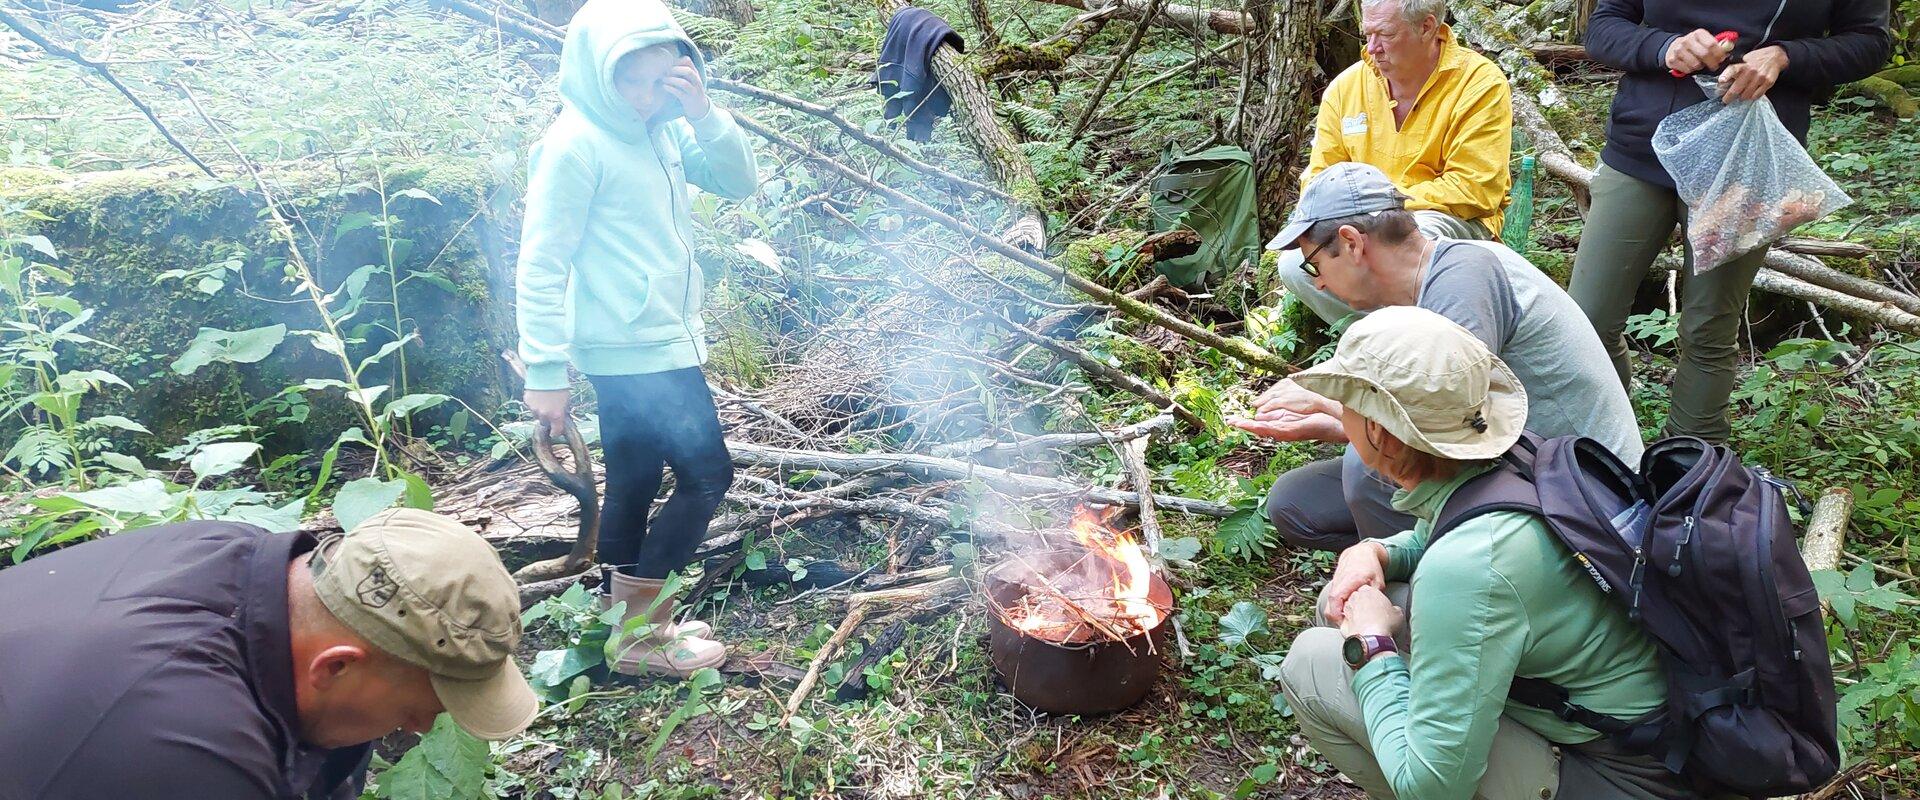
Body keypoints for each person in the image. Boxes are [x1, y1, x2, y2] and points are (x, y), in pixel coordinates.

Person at [1276, 306, 1692, 800]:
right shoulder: (1515, 460)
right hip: (1644, 726)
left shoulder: (1473, 566)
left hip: (1631, 777)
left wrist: (1372, 648)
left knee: (1312, 664)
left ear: (1379, 433)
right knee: (1352, 598)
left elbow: (1432, 785)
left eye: (1345, 405)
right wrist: (1377, 552)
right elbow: (1444, 536)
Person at [515, 0, 759, 676]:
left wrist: (702, 113)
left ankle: (617, 620)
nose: (653, 95)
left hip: (652, 340)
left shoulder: (661, 130)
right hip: (635, 346)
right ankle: (642, 639)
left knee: (634, 480)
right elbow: (541, 261)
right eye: (638, 82)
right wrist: (544, 369)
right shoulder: (575, 144)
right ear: (596, 74)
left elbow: (740, 182)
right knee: (708, 476)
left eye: (666, 78)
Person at [1229, 162, 1641, 553]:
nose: (1317, 282)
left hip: (1582, 492)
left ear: (1352, 243)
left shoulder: (1464, 279)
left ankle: (1427, 598)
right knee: (1297, 503)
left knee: (1369, 470)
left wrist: (1335, 404)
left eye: (1313, 262)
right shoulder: (1427, 280)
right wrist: (1339, 422)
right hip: (1510, 459)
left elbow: (1445, 435)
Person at [0, 509, 538, 799]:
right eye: (415, 710)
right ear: (337, 665)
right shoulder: (189, 748)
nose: (421, 727)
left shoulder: (243, 558)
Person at [1570, 0, 1891, 442]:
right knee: (1587, 319)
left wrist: (1784, 55)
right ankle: (1598, 446)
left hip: (1747, 159)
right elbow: (1604, 26)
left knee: (1709, 329)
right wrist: (1665, 47)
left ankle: (1690, 465)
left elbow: (1871, 42)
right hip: (1641, 148)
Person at [1276, 0, 1514, 325]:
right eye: (1367, 34)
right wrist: (1359, 217)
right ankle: (1379, 343)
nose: (1372, 48)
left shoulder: (1479, 84)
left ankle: (1429, 344)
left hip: (1443, 220)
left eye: (1385, 34)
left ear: (1427, 27)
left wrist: (1383, 208)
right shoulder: (1346, 88)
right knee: (1296, 265)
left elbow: (1475, 190)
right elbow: (1319, 180)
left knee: (1404, 250)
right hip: (1358, 223)